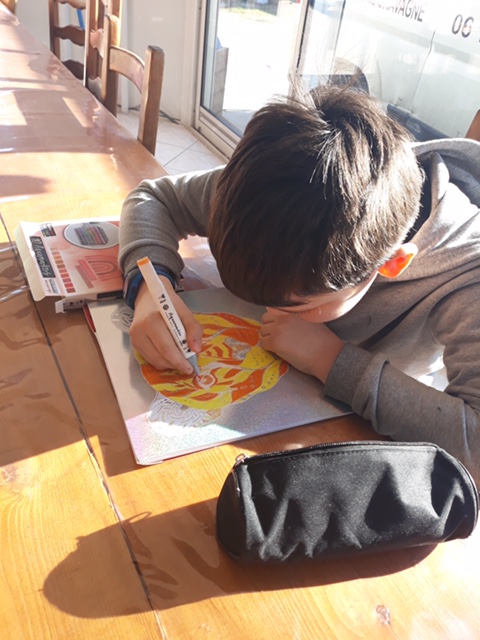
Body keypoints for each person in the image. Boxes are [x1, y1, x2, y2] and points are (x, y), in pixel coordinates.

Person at [119, 84, 480, 483]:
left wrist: (331, 360)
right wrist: (152, 287)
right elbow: (152, 197)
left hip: (342, 455)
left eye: (298, 305)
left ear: (392, 264)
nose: (271, 311)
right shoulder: (274, 190)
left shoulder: (468, 276)